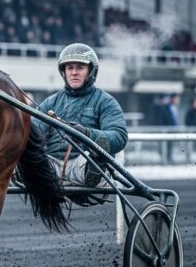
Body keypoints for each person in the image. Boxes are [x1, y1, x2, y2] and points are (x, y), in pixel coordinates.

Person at [32, 43, 128, 191]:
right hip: (51, 166)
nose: (74, 73)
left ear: (91, 71)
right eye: (70, 68)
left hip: (84, 162)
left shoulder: (105, 101)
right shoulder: (51, 102)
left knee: (94, 155)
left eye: (80, 68)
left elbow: (119, 136)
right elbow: (33, 132)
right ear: (63, 72)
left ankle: (93, 171)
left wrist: (87, 134)